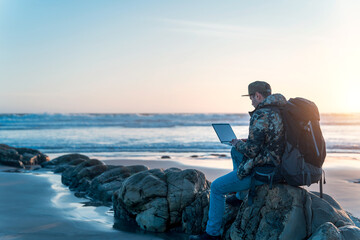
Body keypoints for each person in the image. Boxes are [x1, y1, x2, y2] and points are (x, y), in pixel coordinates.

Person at [189, 81, 287, 240]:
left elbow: (252, 151)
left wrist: (239, 143)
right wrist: (242, 143)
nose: (251, 101)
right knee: (235, 151)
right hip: (276, 161)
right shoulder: (279, 109)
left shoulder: (261, 113)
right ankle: (241, 196)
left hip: (265, 168)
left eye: (251, 97)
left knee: (216, 187)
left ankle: (212, 234)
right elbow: (269, 139)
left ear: (258, 95)